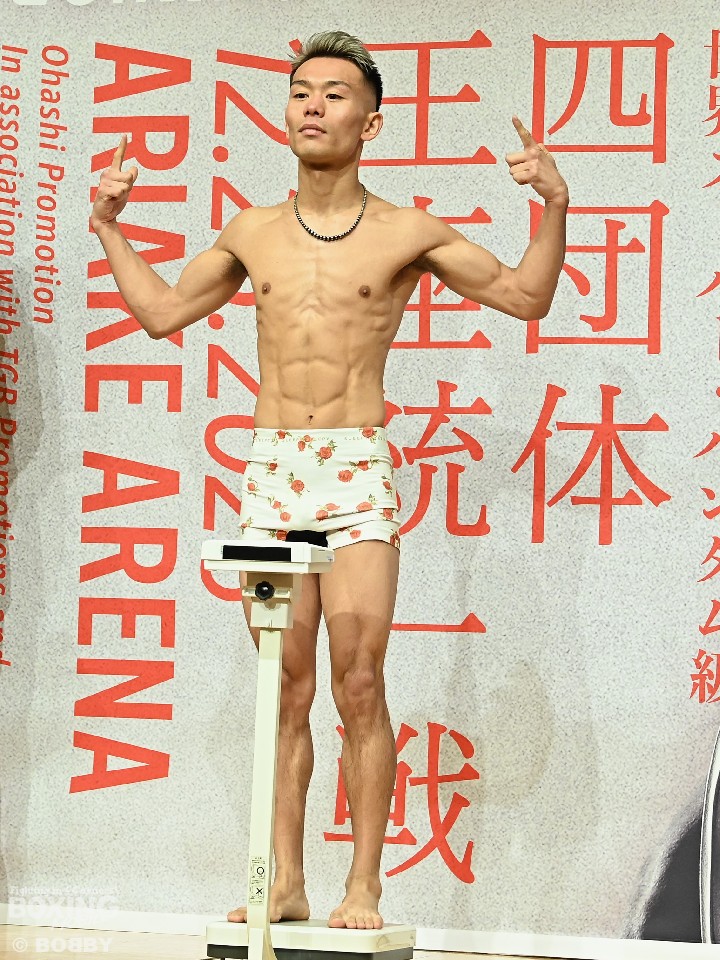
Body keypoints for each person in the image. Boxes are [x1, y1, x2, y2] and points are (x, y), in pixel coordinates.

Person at [90, 30, 568, 932]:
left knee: (359, 680)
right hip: (273, 468)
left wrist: (553, 205)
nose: (313, 105)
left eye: (335, 94)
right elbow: (161, 313)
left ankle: (364, 887)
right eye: (301, 91)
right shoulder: (251, 230)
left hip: (354, 467)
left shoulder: (406, 231)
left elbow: (525, 297)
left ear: (371, 123)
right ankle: (284, 882)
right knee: (286, 686)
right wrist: (109, 226)